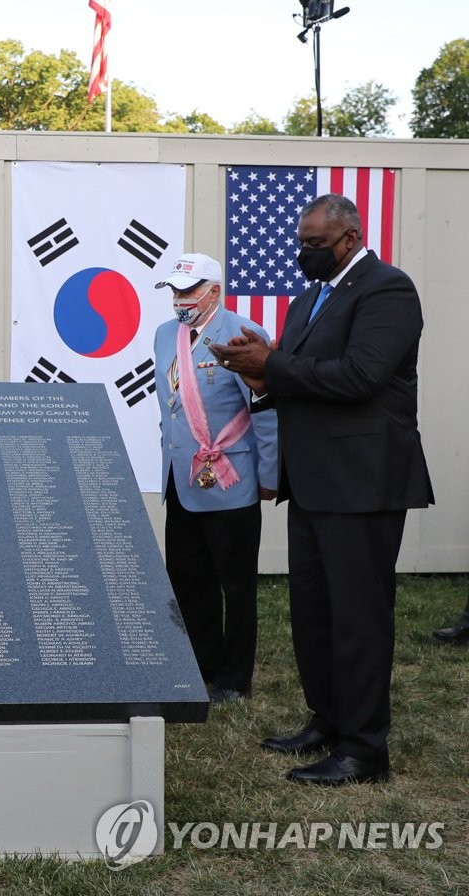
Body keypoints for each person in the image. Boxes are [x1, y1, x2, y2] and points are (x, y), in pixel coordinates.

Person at [210, 194, 433, 785]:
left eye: (315, 243)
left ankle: (364, 751)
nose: (304, 252)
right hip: (309, 481)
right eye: (301, 241)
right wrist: (254, 372)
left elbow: (361, 375)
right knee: (314, 613)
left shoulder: (388, 289)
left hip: (362, 481)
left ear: (351, 236)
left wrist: (274, 364)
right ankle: (328, 722)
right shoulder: (308, 299)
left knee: (358, 618)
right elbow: (298, 383)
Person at [153, 253, 278, 704]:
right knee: (187, 577)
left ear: (214, 291)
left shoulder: (245, 335)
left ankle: (234, 678)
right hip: (182, 477)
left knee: (236, 584)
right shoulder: (165, 335)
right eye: (174, 291)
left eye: (188, 290)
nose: (180, 300)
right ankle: (198, 664)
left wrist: (269, 474)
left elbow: (265, 410)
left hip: (232, 476)